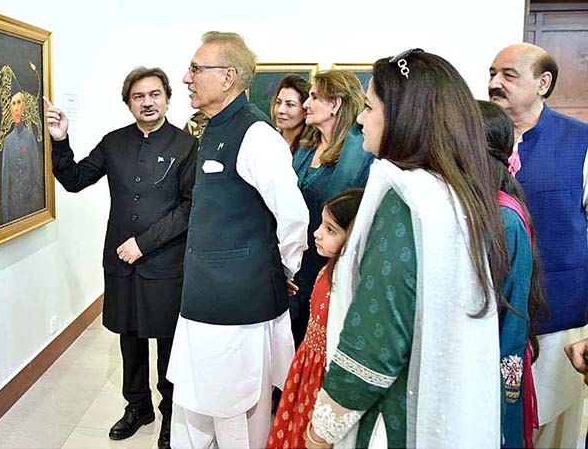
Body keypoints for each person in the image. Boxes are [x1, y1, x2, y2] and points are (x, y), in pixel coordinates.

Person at [307, 50, 506, 449]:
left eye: (368, 107)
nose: (361, 119)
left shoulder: (404, 201)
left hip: (395, 413)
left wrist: (321, 430)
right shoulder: (452, 190)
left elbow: (376, 340)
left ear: (403, 116)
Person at [167, 31, 309, 449]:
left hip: (238, 309)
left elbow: (293, 216)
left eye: (195, 68)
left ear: (227, 77)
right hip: (202, 300)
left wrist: (280, 270)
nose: (187, 77)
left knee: (237, 418)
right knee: (195, 406)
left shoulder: (256, 135)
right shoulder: (212, 129)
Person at [45, 66, 197, 449]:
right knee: (129, 337)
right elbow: (75, 179)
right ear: (128, 102)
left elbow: (188, 207)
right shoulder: (113, 143)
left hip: (164, 262)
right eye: (138, 96)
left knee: (165, 341)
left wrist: (143, 244)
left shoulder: (185, 146)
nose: (147, 102)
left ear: (166, 98)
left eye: (154, 95)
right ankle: (137, 407)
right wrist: (60, 140)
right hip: (120, 262)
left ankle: (169, 414)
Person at [489, 43, 588, 448]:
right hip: (489, 318)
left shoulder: (580, 141)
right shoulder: (473, 138)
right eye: (492, 73)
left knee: (550, 431)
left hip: (559, 318)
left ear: (543, 83)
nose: (494, 83)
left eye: (508, 75)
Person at [267, 189, 364, 449]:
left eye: (331, 230)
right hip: (306, 367)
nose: (317, 233)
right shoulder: (326, 270)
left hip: (324, 377)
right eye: (321, 225)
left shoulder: (351, 286)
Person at [479, 100, 548, 448]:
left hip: (491, 372)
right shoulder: (477, 207)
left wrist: (503, 393)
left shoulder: (505, 218)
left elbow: (513, 322)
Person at [289, 70, 373, 347]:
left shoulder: (360, 153)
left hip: (331, 263)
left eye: (314, 97)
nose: (305, 104)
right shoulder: (305, 146)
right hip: (298, 261)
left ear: (335, 104)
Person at [0, 80, 43, 224]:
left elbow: (37, 173)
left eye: (19, 103)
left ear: (23, 107)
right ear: (10, 109)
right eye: (13, 104)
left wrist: (34, 201)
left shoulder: (30, 137)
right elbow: (5, 180)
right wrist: (5, 212)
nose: (16, 108)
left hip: (29, 205)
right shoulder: (8, 142)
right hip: (13, 207)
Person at [270, 74, 311, 154]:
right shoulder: (269, 141)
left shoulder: (311, 149)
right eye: (278, 102)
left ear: (306, 110)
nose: (280, 110)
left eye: (290, 104)